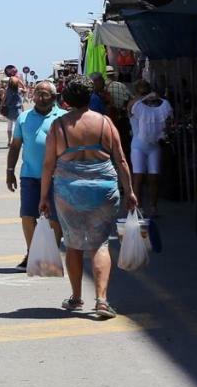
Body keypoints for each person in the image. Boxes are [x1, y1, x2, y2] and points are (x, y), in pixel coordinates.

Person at [39, 75, 136, 320]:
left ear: (68, 99)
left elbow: (49, 164)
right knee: (100, 243)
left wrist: (43, 197)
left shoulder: (59, 126)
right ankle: (102, 300)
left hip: (68, 190)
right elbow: (121, 160)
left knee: (73, 243)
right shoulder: (105, 123)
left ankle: (76, 297)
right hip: (103, 188)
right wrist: (131, 191)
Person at [6, 81, 65, 269]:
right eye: (38, 93)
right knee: (27, 215)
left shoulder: (63, 118)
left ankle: (51, 254)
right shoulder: (23, 118)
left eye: (45, 94)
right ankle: (32, 253)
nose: (40, 97)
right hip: (30, 175)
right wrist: (9, 172)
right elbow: (15, 146)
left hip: (58, 177)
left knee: (56, 217)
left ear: (54, 97)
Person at [128, 81, 172, 217]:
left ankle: (153, 207)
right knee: (138, 177)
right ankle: (138, 206)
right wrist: (145, 97)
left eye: (146, 92)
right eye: (142, 92)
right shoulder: (134, 105)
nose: (145, 95)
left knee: (154, 178)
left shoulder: (155, 105)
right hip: (138, 147)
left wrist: (155, 98)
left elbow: (167, 114)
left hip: (154, 146)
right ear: (136, 93)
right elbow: (131, 106)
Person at [0, 67, 24, 145]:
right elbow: (25, 88)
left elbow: (3, 99)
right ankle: (16, 141)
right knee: (17, 126)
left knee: (9, 126)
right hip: (17, 110)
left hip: (9, 110)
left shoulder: (7, 90)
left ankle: (9, 141)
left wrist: (1, 106)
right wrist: (19, 81)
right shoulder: (19, 90)